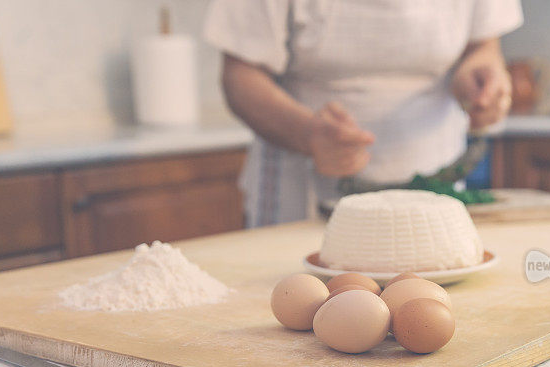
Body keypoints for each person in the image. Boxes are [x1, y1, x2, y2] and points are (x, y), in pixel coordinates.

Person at [204, 0, 522, 227]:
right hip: (304, 196)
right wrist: (306, 134)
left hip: (436, 193)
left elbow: (483, 45)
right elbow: (239, 76)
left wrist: (479, 72)